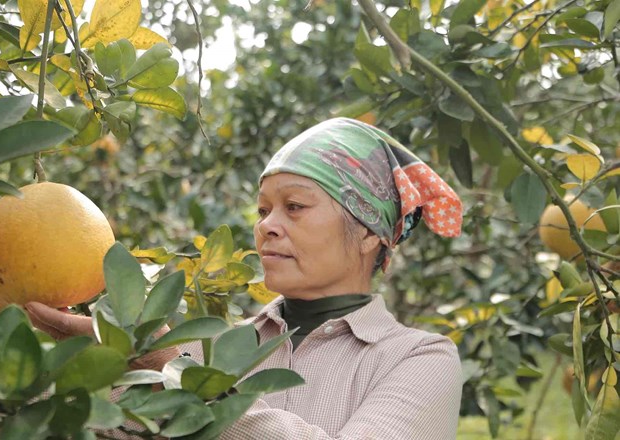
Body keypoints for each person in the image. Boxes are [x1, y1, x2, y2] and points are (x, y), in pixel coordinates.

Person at [26, 117, 464, 439]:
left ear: (369, 231)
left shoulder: (419, 359)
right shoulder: (202, 350)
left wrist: (175, 374)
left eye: (294, 206)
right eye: (263, 210)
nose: (266, 226)